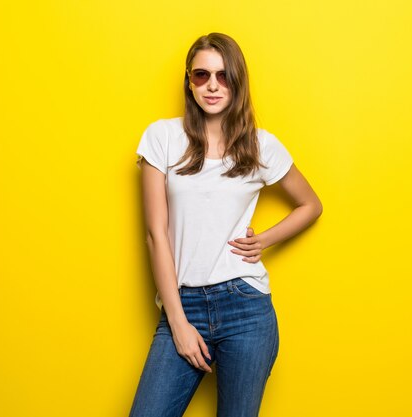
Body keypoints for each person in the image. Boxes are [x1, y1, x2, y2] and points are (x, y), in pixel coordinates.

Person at [129, 33, 323, 417]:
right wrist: (178, 322)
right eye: (201, 75)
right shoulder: (162, 137)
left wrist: (264, 240)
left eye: (223, 75)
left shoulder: (259, 145)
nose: (212, 85)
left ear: (237, 80)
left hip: (246, 308)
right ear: (189, 81)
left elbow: (310, 205)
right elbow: (156, 235)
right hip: (181, 304)